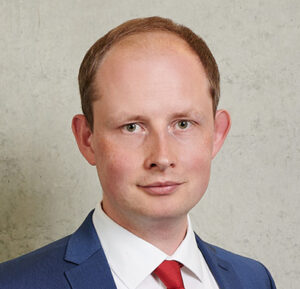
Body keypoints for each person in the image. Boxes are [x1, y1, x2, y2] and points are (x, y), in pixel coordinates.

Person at [0, 16, 276, 289]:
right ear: (87, 139)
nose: (162, 157)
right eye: (132, 127)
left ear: (216, 134)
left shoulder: (253, 279)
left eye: (182, 124)